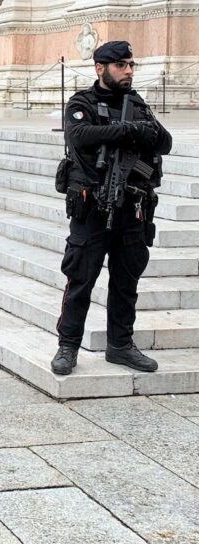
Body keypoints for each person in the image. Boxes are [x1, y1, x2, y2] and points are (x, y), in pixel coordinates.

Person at [52, 41, 173, 376]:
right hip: (93, 206)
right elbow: (80, 135)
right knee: (80, 279)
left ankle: (120, 346)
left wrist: (141, 130)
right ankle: (68, 346)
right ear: (100, 68)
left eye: (131, 65)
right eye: (121, 65)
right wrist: (127, 131)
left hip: (132, 209)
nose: (128, 71)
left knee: (125, 281)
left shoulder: (138, 104)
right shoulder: (82, 103)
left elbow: (165, 142)